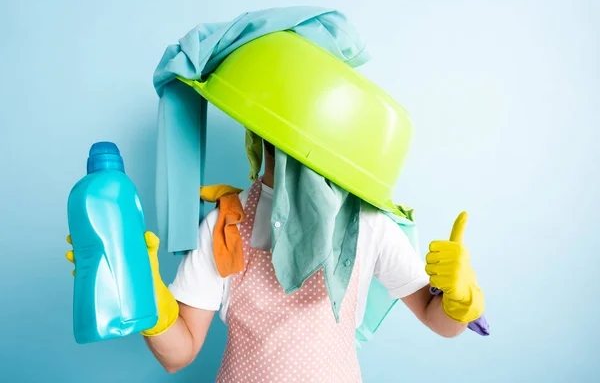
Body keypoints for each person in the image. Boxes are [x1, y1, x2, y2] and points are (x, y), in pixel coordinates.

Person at [66, 140, 484, 382]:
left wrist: (459, 301)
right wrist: (149, 297)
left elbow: (438, 322)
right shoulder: (224, 223)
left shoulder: (366, 222)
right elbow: (179, 354)